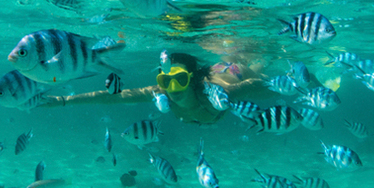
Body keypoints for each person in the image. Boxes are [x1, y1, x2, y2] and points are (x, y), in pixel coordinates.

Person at [40, 52, 276, 124]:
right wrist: (63, 101)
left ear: (192, 81)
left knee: (253, 65)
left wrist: (291, 85)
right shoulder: (163, 94)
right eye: (166, 80)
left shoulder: (218, 95)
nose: (172, 87)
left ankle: (261, 57)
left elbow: (255, 85)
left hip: (232, 72)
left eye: (180, 79)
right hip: (212, 70)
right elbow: (117, 97)